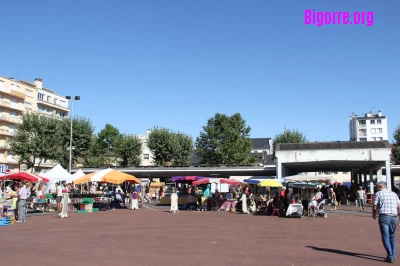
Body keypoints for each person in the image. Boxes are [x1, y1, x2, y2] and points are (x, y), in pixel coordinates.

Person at [373, 181, 400, 263]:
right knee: (392, 235)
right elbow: (399, 206)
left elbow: (375, 206)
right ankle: (393, 254)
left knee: (385, 236)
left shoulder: (378, 194)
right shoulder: (394, 194)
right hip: (394, 216)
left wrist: (374, 214)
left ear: (379, 187)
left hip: (384, 215)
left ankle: (390, 255)